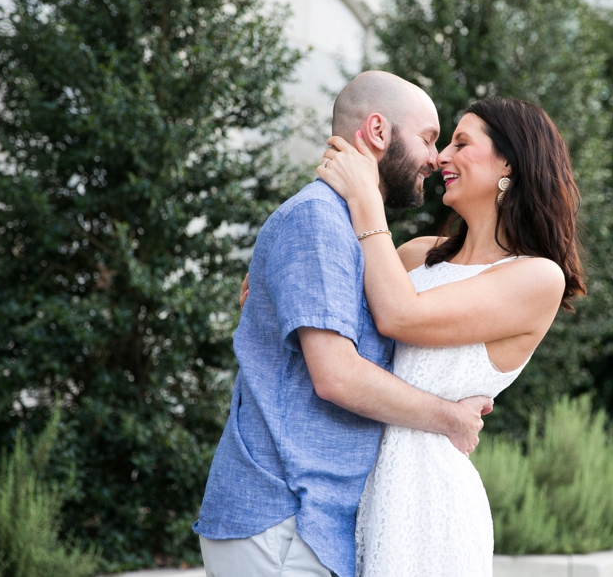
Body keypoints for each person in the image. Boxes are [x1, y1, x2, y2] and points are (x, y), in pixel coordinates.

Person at [193, 71, 494, 577]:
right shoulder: (318, 220)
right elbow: (337, 375)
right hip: (284, 519)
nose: (434, 157)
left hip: (310, 525)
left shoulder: (348, 229)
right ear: (378, 132)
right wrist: (452, 419)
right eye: (428, 138)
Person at [316, 96, 585, 576]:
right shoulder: (416, 255)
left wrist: (365, 200)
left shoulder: (538, 278)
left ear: (509, 162)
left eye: (461, 143)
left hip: (428, 505)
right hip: (349, 483)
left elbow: (400, 315)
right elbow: (328, 319)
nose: (441, 157)